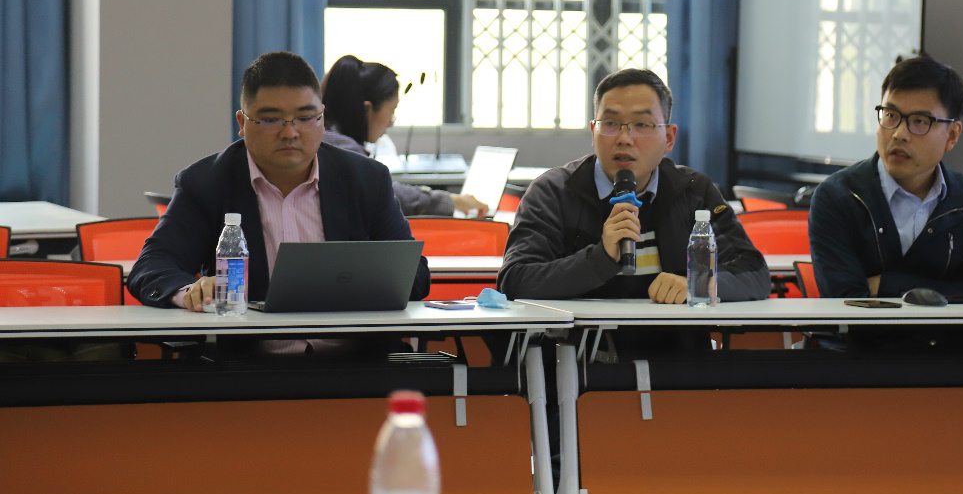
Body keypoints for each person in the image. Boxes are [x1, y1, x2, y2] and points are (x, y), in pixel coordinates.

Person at [129, 51, 429, 311]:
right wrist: (190, 292)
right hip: (248, 355)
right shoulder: (206, 183)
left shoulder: (366, 179)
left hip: (359, 354)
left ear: (322, 117)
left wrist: (354, 285)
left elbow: (415, 275)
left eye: (305, 118)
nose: (290, 132)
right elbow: (152, 267)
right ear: (242, 123)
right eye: (271, 120)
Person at [498, 68, 770, 304]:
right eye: (610, 124)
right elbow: (515, 280)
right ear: (593, 132)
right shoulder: (553, 192)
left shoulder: (694, 190)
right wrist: (600, 258)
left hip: (675, 346)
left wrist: (700, 284)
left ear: (669, 138)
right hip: (581, 345)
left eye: (642, 124)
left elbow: (755, 273)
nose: (625, 138)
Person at [808, 55, 963, 298]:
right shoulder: (838, 198)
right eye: (890, 115)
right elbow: (845, 300)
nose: (899, 134)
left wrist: (885, 286)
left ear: (952, 135)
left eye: (920, 121)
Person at [321, 55, 488, 218]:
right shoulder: (343, 152)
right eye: (392, 111)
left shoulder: (328, 139)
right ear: (367, 109)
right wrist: (453, 201)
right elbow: (386, 195)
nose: (390, 123)